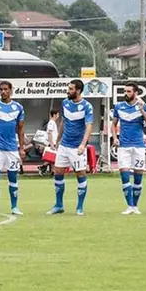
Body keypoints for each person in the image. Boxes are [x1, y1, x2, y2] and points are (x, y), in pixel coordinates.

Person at [47, 79, 93, 216]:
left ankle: (79, 207)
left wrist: (83, 145)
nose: (68, 91)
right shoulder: (65, 103)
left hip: (77, 147)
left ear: (78, 91)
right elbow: (63, 122)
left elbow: (89, 126)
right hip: (64, 145)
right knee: (58, 173)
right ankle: (59, 205)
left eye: (71, 89)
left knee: (80, 174)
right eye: (68, 88)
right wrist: (57, 139)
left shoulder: (87, 106)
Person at [113, 82, 146, 215]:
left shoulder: (142, 106)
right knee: (124, 175)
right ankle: (129, 205)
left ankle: (135, 206)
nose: (126, 93)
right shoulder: (119, 106)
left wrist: (142, 110)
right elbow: (113, 124)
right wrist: (115, 138)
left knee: (138, 178)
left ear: (135, 93)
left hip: (138, 146)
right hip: (124, 147)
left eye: (129, 91)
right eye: (125, 91)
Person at [0, 81, 26, 216]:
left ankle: (14, 207)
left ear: (11, 90)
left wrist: (21, 148)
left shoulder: (18, 107)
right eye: (1, 89)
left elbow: (20, 129)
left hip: (12, 148)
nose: (3, 92)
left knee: (13, 177)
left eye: (6, 89)